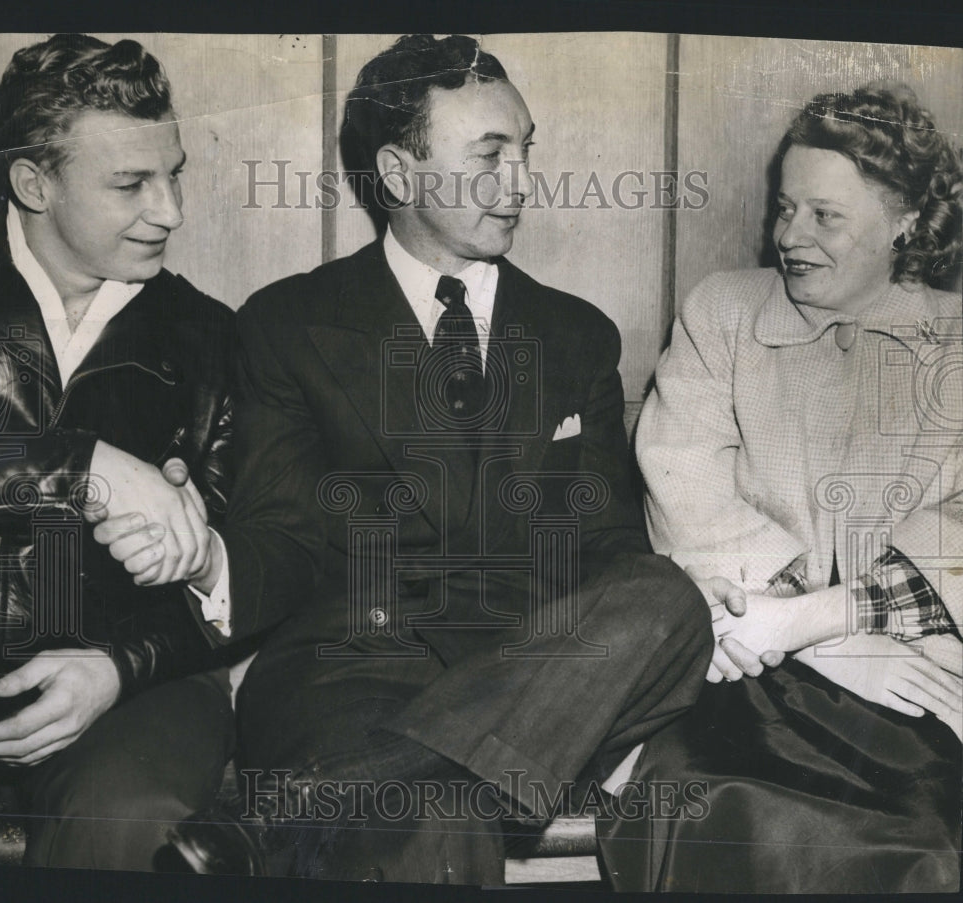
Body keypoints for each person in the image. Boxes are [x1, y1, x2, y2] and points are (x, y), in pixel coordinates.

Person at [97, 34, 724, 884]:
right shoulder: (287, 324)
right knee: (434, 822)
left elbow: (607, 543)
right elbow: (281, 539)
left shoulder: (577, 335)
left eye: (527, 150)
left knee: (668, 595)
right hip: (350, 671)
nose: (523, 184)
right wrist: (210, 557)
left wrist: (677, 602)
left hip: (538, 678)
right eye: (490, 156)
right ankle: (380, 780)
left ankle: (295, 807)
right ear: (398, 174)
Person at [621, 83, 963, 892]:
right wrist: (820, 637)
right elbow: (686, 491)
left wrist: (841, 616)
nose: (789, 236)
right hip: (748, 658)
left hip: (925, 660)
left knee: (926, 846)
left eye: (825, 215)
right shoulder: (725, 312)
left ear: (905, 221)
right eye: (785, 208)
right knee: (730, 814)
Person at [0, 34, 238, 871]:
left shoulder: (213, 340)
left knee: (130, 824)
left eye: (175, 174)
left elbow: (255, 574)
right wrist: (82, 465)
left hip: (135, 689)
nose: (171, 212)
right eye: (131, 184)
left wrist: (120, 667)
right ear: (32, 183)